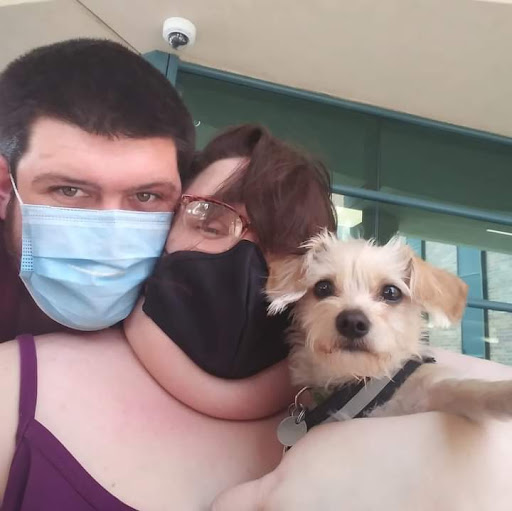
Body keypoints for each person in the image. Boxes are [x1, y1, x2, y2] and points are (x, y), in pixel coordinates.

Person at [0, 124, 337, 510]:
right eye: (208, 222)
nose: (242, 257)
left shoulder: (347, 425)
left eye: (280, 246)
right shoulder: (17, 384)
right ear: (166, 229)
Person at [0, 38, 195, 341]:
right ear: (4, 188)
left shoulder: (193, 289)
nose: (111, 240)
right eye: (69, 190)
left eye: (146, 196)